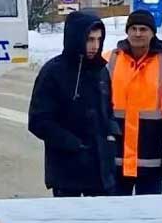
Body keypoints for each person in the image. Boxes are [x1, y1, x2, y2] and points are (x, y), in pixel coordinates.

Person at [28, 11, 117, 197]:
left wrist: (112, 133)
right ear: (76, 38)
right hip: (67, 172)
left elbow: (107, 110)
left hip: (100, 173)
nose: (95, 46)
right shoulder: (53, 72)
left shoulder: (101, 71)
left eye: (98, 40)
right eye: (89, 39)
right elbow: (38, 121)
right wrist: (71, 143)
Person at [104, 10, 162, 195]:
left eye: (143, 29)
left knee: (150, 217)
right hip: (115, 157)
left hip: (152, 157)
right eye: (133, 28)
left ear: (152, 33)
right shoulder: (109, 60)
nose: (138, 33)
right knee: (114, 216)